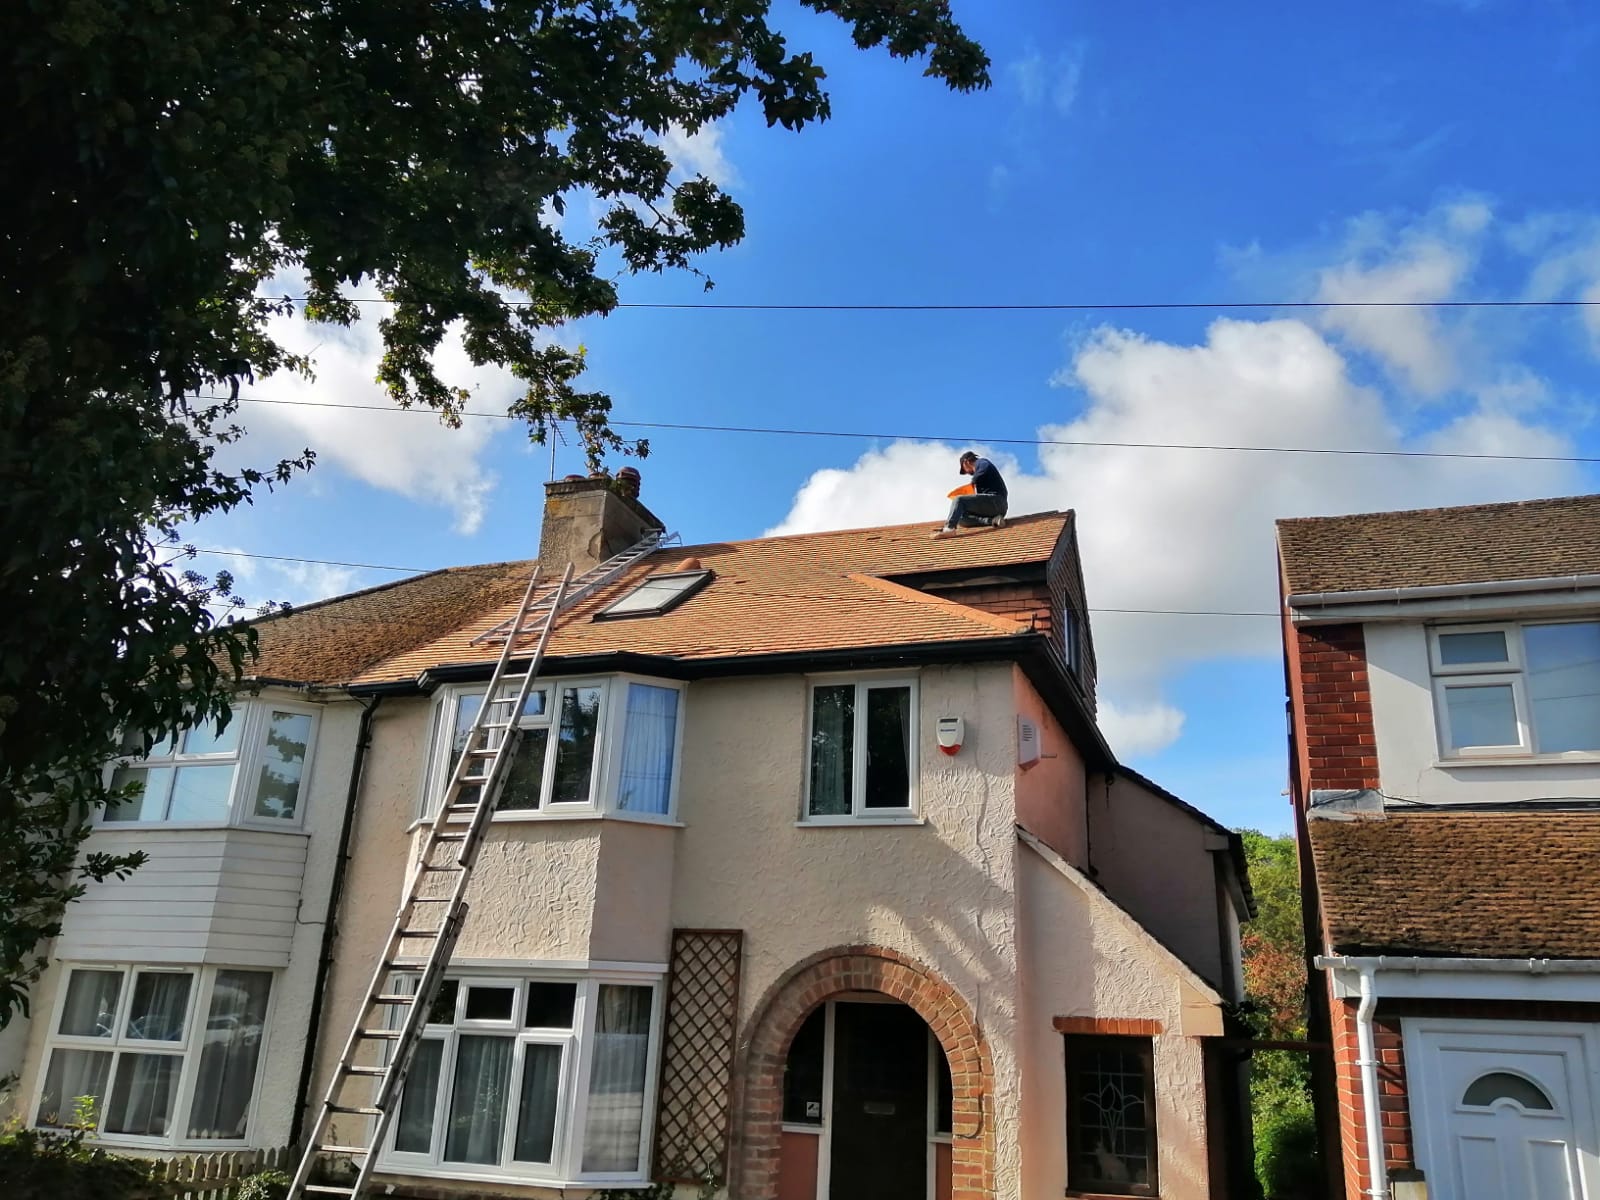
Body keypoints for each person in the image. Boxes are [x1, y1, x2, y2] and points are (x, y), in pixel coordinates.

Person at [934, 451, 1008, 538]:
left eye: (964, 469)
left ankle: (949, 529)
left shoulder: (981, 462)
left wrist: (973, 481)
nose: (967, 472)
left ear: (966, 462)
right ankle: (993, 521)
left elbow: (985, 466)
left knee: (958, 499)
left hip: (997, 501)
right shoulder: (980, 473)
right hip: (995, 509)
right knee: (961, 518)